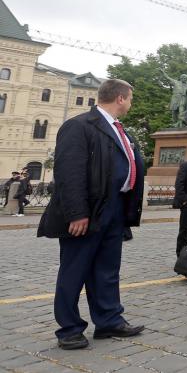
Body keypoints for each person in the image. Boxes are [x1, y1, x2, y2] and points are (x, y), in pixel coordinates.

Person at [37, 79, 145, 350]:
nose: (131, 104)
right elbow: (69, 174)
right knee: (74, 271)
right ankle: (70, 328)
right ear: (120, 98)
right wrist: (77, 213)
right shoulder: (80, 125)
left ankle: (109, 321)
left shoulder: (121, 131)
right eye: (130, 98)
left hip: (115, 210)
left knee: (107, 270)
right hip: (88, 212)